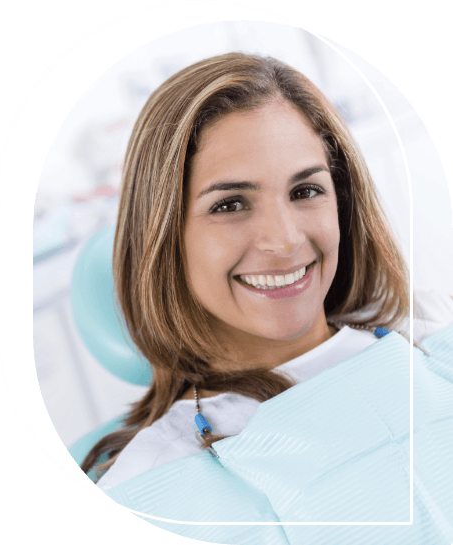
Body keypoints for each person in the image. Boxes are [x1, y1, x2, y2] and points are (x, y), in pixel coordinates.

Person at [81, 53, 453, 542]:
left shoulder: (432, 333)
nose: (285, 241)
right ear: (162, 236)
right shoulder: (150, 487)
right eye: (230, 204)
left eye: (305, 191)